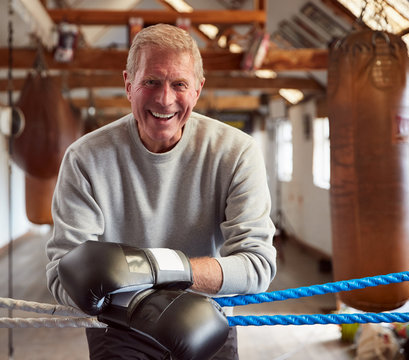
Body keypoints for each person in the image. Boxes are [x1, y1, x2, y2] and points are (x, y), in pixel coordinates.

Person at [46, 23, 277, 359]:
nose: (164, 99)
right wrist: (143, 302)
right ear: (128, 85)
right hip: (118, 327)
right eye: (150, 82)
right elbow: (60, 274)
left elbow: (257, 266)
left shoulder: (237, 153)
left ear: (198, 89)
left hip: (207, 322)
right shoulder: (85, 158)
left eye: (179, 84)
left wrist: (151, 267)